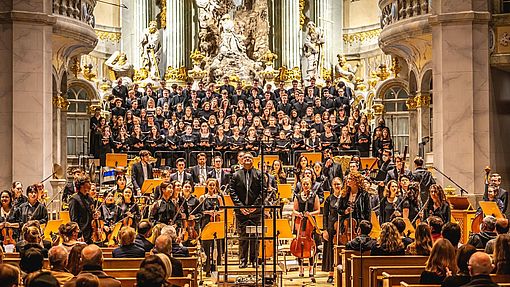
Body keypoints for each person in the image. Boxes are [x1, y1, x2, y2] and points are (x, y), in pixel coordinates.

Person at [229, 152, 264, 269]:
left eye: (250, 158)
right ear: (241, 161)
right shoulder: (235, 175)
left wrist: (255, 206)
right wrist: (240, 207)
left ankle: (254, 260)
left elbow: (263, 191)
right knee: (243, 236)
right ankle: (243, 260)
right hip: (241, 211)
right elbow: (232, 192)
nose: (247, 159)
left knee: (255, 236)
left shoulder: (259, 174)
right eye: (245, 158)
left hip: (256, 211)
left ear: (253, 161)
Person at [292, 177, 320, 282]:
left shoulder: (314, 196)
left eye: (307, 184)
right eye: (304, 184)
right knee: (300, 244)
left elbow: (317, 210)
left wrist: (310, 214)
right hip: (300, 222)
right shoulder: (298, 197)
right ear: (302, 185)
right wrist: (298, 214)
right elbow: (294, 210)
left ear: (311, 185)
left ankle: (311, 268)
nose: (306, 186)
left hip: (310, 222)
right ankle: (301, 268)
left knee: (310, 245)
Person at [199, 178, 223, 276]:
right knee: (206, 246)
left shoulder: (219, 197)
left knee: (216, 245)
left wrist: (217, 212)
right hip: (206, 222)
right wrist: (208, 212)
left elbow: (223, 210)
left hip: (216, 222)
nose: (212, 187)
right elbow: (200, 211)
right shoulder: (202, 197)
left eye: (213, 185)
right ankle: (207, 269)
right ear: (207, 186)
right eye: (210, 185)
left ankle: (216, 268)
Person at [321, 177, 342, 283]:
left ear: (341, 185)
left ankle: (342, 273)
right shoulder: (329, 199)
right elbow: (324, 215)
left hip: (342, 227)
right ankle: (331, 274)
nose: (337, 186)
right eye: (335, 184)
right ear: (332, 186)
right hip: (330, 227)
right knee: (330, 249)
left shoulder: (344, 198)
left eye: (338, 184)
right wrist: (324, 230)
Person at [68, 175, 94, 243]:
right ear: (82, 185)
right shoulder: (74, 199)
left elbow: (91, 213)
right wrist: (79, 234)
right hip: (82, 233)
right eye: (88, 182)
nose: (90, 184)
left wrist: (96, 215)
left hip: (91, 232)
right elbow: (74, 219)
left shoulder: (90, 198)